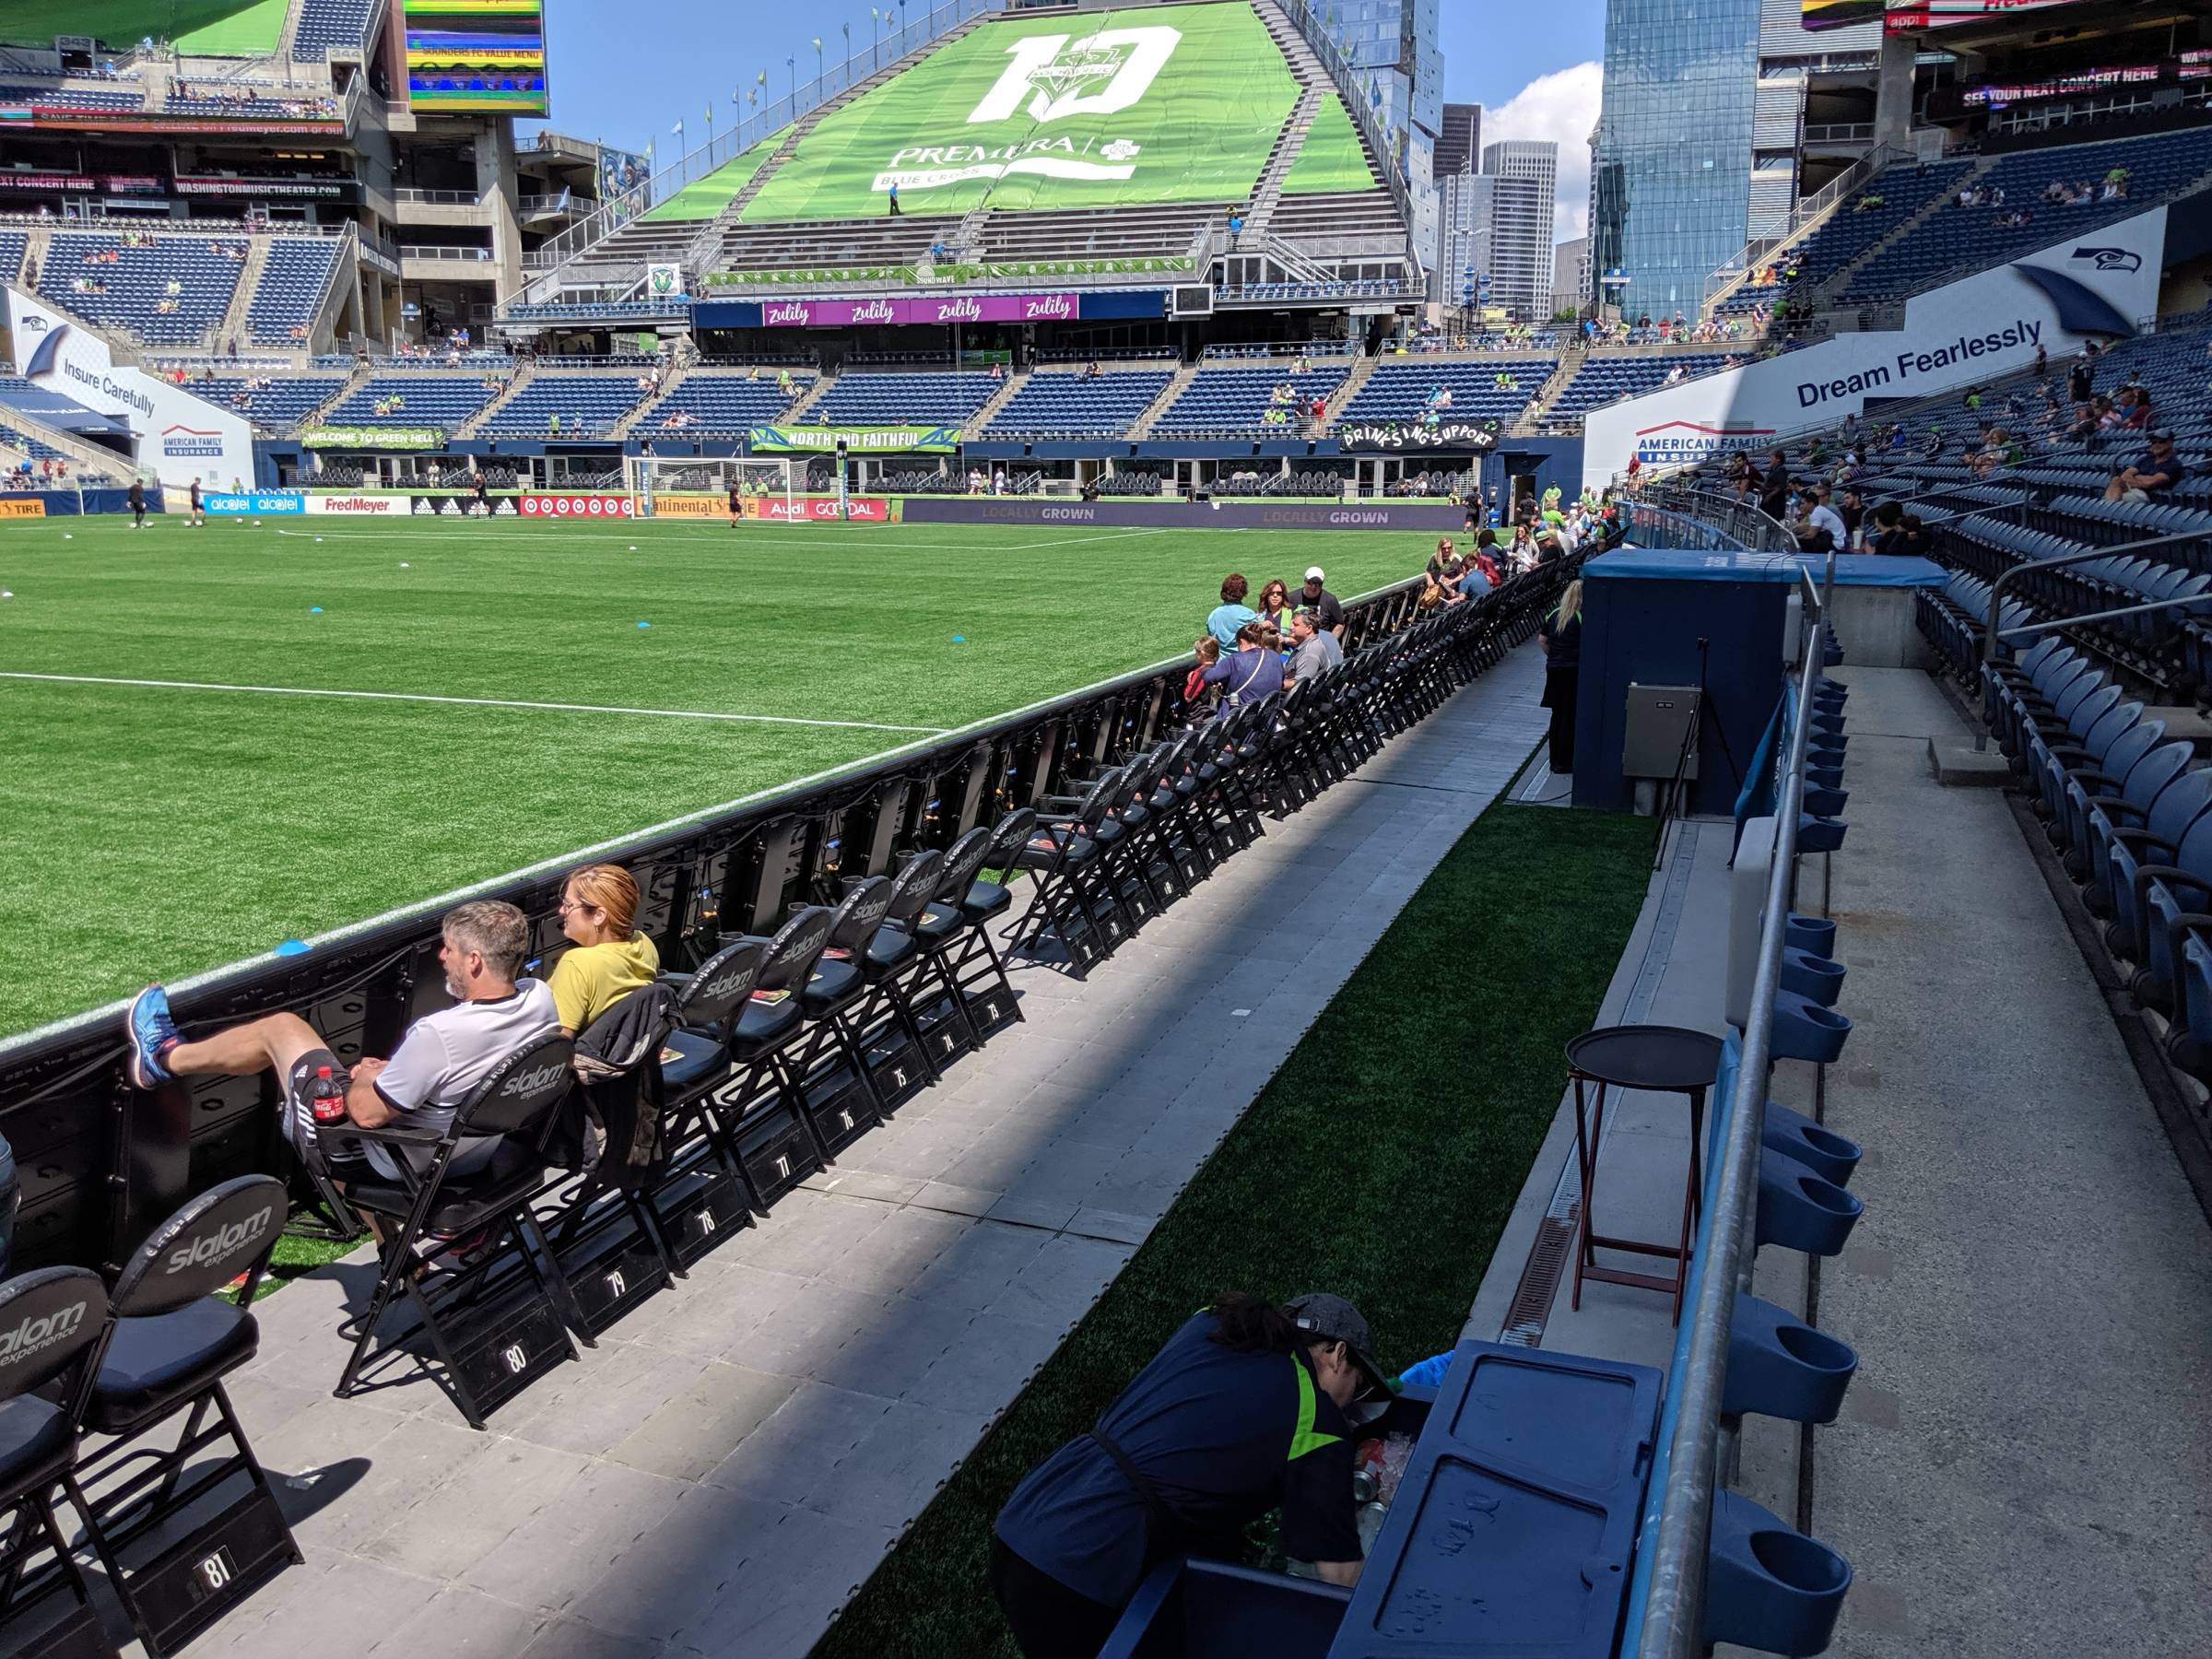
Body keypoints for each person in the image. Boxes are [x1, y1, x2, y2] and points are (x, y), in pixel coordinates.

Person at [992, 1292, 1382, 1659]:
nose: (1351, 1405)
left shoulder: (1213, 1323)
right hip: (1087, 1560)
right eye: (1358, 1387)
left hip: (1032, 1509)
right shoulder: (1313, 1414)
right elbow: (1340, 1575)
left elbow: (1198, 1437)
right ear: (1336, 1354)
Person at [124, 901, 557, 1183]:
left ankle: (163, 1056)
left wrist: (368, 1079)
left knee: (282, 1029)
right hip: (477, 1156)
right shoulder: (541, 999)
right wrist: (394, 1076)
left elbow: (366, 1116)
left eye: (449, 950)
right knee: (373, 1079)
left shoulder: (440, 1034)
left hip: (400, 1164)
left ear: (475, 961)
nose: (441, 957)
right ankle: (397, 1255)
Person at [546, 865, 658, 1037]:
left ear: (599, 916)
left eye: (569, 905)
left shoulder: (577, 963)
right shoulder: (644, 942)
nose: (561, 910)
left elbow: (559, 1045)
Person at [1537, 580, 1583, 775]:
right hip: (1573, 670)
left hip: (1554, 668)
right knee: (1569, 715)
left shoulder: (1555, 613)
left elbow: (1542, 640)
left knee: (1557, 715)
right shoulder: (1581, 616)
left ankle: (1555, 760)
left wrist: (1553, 656)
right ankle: (1565, 760)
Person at [1201, 621, 1286, 714]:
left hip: (1239, 720)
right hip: (1267, 717)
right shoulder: (1275, 656)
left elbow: (1208, 678)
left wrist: (1206, 666)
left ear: (1241, 641)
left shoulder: (1234, 660)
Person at [2106, 430, 2188, 504]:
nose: (2156, 445)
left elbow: (2150, 483)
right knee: (2116, 480)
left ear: (2170, 443)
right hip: (2132, 489)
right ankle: (2108, 506)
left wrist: (2136, 477)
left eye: (2161, 442)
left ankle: (2108, 507)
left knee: (2115, 500)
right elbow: (2125, 475)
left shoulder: (2173, 464)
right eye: (2153, 442)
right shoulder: (2147, 458)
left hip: (2147, 496)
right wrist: (2141, 480)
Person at [1285, 609, 1343, 683]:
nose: (1291, 627)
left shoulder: (1309, 653)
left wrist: (1278, 684)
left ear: (1309, 629)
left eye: (1295, 625)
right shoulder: (1327, 635)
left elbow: (1300, 685)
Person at [1206, 574, 1258, 652]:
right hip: (1243, 660)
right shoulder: (1248, 614)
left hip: (1222, 661)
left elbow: (1212, 641)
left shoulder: (1213, 615)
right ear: (1243, 591)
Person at [1295, 567, 1344, 639]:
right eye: (1310, 583)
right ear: (1305, 581)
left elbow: (1340, 624)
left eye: (1318, 584)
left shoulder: (1330, 600)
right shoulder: (1292, 598)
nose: (1314, 587)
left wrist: (1330, 642)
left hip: (1319, 645)